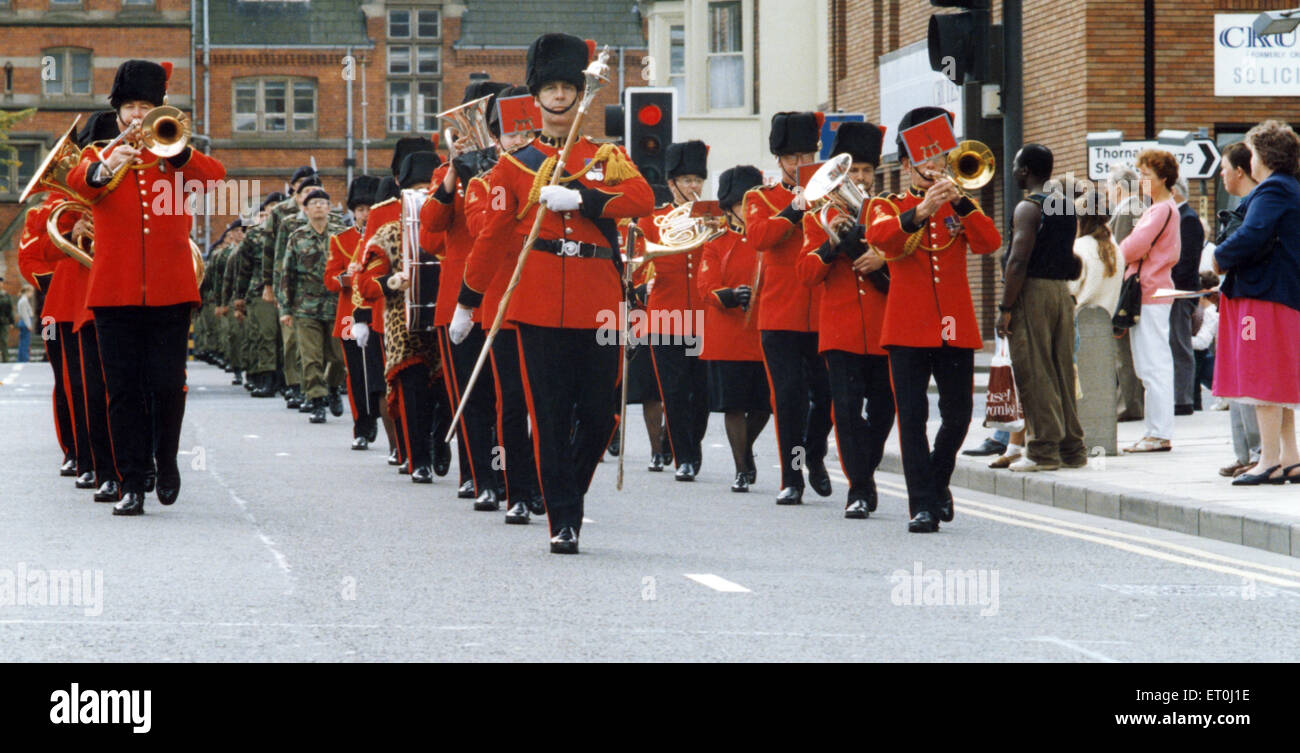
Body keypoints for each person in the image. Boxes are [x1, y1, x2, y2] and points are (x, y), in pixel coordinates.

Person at [449, 33, 654, 553]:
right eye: (551, 88)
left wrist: (583, 197)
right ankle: (564, 519)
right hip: (537, 302)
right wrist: (468, 301)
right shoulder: (514, 165)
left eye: (568, 87)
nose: (559, 97)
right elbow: (492, 237)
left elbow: (641, 199)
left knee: (600, 416)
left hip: (597, 299)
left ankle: (565, 489)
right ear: (536, 98)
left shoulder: (604, 157)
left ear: (578, 95)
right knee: (550, 414)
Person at [66, 59, 226, 516]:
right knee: (123, 390)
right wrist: (107, 163)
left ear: (158, 110)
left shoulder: (174, 156)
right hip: (114, 293)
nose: (137, 116)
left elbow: (215, 177)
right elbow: (79, 183)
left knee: (167, 385)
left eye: (145, 107)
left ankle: (166, 460)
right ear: (117, 111)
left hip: (170, 290)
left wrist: (176, 154)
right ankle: (131, 481)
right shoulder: (98, 157)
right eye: (130, 106)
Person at [865, 106, 1002, 532]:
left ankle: (937, 481)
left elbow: (989, 242)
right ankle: (921, 504)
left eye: (941, 159)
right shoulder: (887, 204)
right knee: (912, 418)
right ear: (907, 165)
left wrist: (960, 203)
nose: (935, 168)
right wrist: (921, 211)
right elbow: (881, 239)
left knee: (959, 415)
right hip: (908, 326)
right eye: (926, 161)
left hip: (954, 325)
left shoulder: (961, 204)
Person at [795, 121, 894, 516]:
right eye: (853, 172)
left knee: (885, 410)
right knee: (847, 411)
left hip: (886, 326)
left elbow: (907, 257)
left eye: (867, 171)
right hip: (841, 330)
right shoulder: (817, 218)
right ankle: (860, 489)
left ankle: (862, 472)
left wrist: (885, 256)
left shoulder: (888, 210)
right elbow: (805, 275)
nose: (860, 178)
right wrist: (832, 243)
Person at [426, 80, 512, 513]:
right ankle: (481, 478)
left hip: (506, 293)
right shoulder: (450, 170)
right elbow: (428, 233)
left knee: (509, 395)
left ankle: (510, 476)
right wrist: (453, 177)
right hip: (458, 297)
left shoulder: (514, 165)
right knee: (470, 395)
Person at [745, 111, 834, 505]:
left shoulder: (832, 192)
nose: (800, 164)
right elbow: (759, 237)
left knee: (828, 395)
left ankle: (814, 453)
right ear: (778, 159)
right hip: (780, 313)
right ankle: (791, 476)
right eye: (792, 157)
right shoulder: (759, 197)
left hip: (823, 309)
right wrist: (796, 208)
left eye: (806, 155)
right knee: (789, 397)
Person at [1212, 120, 1300, 486]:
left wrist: (1217, 256)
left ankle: (1268, 461)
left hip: (1266, 295)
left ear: (1261, 155)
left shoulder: (1274, 189)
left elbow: (1252, 234)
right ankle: (1291, 459)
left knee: (1263, 380)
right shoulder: (1287, 187)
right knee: (1276, 381)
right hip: (1280, 293)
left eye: (1250, 151)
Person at [996, 143, 1086, 472]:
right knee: (1061, 371)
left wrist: (1006, 307)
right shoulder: (1064, 206)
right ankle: (1072, 450)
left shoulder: (1028, 208)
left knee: (1034, 372)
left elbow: (1019, 260)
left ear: (1025, 171)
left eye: (1016, 165)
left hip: (1031, 291)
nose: (1013, 171)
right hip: (1060, 294)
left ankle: (1043, 451)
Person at [640, 140, 712, 482]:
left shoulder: (713, 217)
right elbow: (638, 262)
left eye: (698, 180)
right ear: (672, 184)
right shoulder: (653, 219)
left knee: (702, 390)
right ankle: (686, 457)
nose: (694, 187)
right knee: (675, 389)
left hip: (702, 313)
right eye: (686, 181)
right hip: (666, 312)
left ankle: (680, 442)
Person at [697, 165, 769, 492]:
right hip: (728, 334)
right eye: (743, 203)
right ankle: (741, 467)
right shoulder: (717, 242)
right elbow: (706, 285)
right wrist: (729, 295)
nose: (750, 210)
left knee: (764, 405)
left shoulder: (770, 238)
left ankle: (746, 448)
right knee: (735, 405)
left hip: (763, 330)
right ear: (729, 208)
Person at [1117, 149, 1181, 453]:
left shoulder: (1159, 210)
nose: (1141, 180)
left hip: (1150, 292)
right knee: (1149, 365)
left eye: (1146, 175)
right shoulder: (1160, 208)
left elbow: (1133, 246)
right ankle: (1155, 431)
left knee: (1153, 365)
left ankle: (1159, 433)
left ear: (1163, 179)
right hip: (1151, 291)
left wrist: (1125, 250)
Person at [1215, 142, 1262, 477]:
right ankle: (1244, 451)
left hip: (1251, 301)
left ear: (1241, 170)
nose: (1221, 175)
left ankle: (1259, 451)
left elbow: (1242, 246)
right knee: (1235, 372)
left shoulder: (1259, 203)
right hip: (1235, 298)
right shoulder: (1246, 204)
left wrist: (1219, 256)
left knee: (1249, 372)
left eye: (1224, 168)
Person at [280, 188, 347, 424]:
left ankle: (333, 387)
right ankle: (317, 401)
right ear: (305, 209)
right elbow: (287, 275)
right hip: (305, 307)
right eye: (314, 203)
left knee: (339, 357)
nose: (319, 206)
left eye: (323, 203)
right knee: (311, 358)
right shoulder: (297, 237)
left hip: (336, 305)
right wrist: (285, 309)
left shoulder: (341, 234)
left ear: (329, 208)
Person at [326, 175, 383, 448]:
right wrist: (347, 277)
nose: (365, 214)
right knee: (357, 375)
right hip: (351, 314)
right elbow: (330, 280)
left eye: (369, 208)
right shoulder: (341, 240)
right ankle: (362, 425)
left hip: (379, 311)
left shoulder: (386, 235)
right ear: (353, 212)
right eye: (360, 209)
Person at [1107, 163, 1148, 421]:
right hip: (1128, 288)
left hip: (1125, 290)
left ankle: (1129, 406)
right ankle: (1128, 403)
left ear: (1120, 187)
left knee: (1124, 353)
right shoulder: (1133, 209)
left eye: (1109, 187)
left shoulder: (1129, 209)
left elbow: (1119, 253)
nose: (1108, 193)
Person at [1169, 177, 1205, 415]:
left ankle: (1183, 400)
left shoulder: (1188, 219)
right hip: (1175, 291)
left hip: (1179, 293)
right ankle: (1180, 398)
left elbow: (1187, 263)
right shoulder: (1180, 217)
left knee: (1180, 345)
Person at [1070, 190, 1123, 316]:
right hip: (1106, 324)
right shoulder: (1116, 249)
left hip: (1078, 324)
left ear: (1077, 222)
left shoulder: (1078, 248)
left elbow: (1070, 290)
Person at [1192, 270, 1219, 411]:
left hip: (1214, 361)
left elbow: (1202, 343)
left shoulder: (1211, 313)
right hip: (1213, 357)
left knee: (1197, 362)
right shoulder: (1212, 310)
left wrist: (1181, 341)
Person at [16, 284, 33, 363]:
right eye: (31, 292)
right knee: (25, 342)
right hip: (25, 322)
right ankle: (23, 359)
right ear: (27, 291)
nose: (32, 294)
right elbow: (25, 314)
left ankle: (22, 358)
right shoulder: (23, 301)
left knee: (24, 341)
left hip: (24, 322)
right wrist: (29, 325)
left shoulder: (23, 300)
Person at [0, 279, 13, 363]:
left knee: (4, 340)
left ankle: (6, 359)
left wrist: (11, 322)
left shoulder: (6, 295)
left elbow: (10, 309)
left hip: (4, 321)